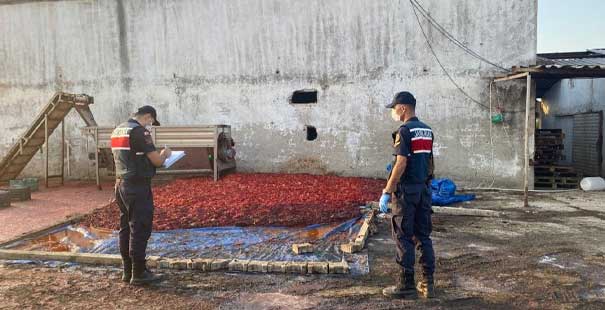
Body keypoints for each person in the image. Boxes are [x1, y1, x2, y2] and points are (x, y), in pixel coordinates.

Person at [379, 91, 436, 299]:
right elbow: (429, 162)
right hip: (423, 189)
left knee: (403, 235)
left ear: (403, 108)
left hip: (406, 193)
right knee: (423, 236)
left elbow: (401, 163)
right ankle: (428, 284)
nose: (393, 112)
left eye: (394, 108)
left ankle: (406, 285)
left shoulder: (404, 131)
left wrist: (387, 191)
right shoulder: (427, 130)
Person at [110, 105, 172, 285]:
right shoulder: (139, 132)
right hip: (137, 186)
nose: (150, 126)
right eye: (150, 122)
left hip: (120, 184)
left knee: (126, 227)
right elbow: (157, 161)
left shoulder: (118, 130)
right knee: (140, 228)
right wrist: (165, 154)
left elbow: (128, 156)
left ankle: (128, 270)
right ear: (147, 116)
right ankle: (139, 273)